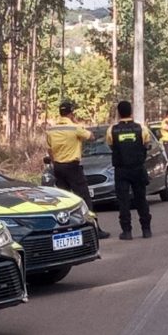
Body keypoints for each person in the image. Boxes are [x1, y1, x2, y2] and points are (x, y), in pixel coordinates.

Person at [46, 100, 110, 239]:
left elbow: (50, 150)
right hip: (72, 168)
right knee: (84, 198)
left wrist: (55, 162)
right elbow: (91, 137)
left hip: (58, 168)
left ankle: (63, 230)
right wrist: (76, 122)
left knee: (63, 200)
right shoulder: (74, 128)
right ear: (71, 113)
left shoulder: (51, 130)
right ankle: (94, 229)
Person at [106, 100, 152, 240]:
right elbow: (146, 144)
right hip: (138, 168)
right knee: (141, 199)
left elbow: (111, 146)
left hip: (121, 170)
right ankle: (146, 230)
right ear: (131, 112)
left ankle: (127, 231)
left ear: (119, 113)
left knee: (123, 201)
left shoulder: (112, 130)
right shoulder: (141, 128)